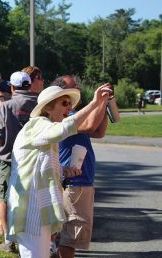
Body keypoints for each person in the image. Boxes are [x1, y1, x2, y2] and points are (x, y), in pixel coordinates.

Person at [7, 84, 111, 258]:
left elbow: (38, 165)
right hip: (31, 209)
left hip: (39, 208)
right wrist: (94, 103)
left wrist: (63, 171)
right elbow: (66, 128)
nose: (69, 108)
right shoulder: (38, 124)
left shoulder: (45, 127)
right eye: (64, 103)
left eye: (70, 104)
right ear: (48, 108)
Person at [51, 76, 109, 258]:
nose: (78, 89)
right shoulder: (65, 116)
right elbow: (91, 124)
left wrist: (104, 105)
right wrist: (99, 102)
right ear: (62, 92)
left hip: (80, 181)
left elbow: (98, 131)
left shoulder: (71, 113)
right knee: (71, 237)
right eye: (74, 87)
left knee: (67, 236)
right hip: (73, 181)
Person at [0, 70, 39, 252]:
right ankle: (36, 237)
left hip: (10, 160)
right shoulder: (41, 104)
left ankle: (9, 241)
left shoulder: (5, 106)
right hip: (34, 160)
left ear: (12, 87)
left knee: (4, 198)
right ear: (29, 84)